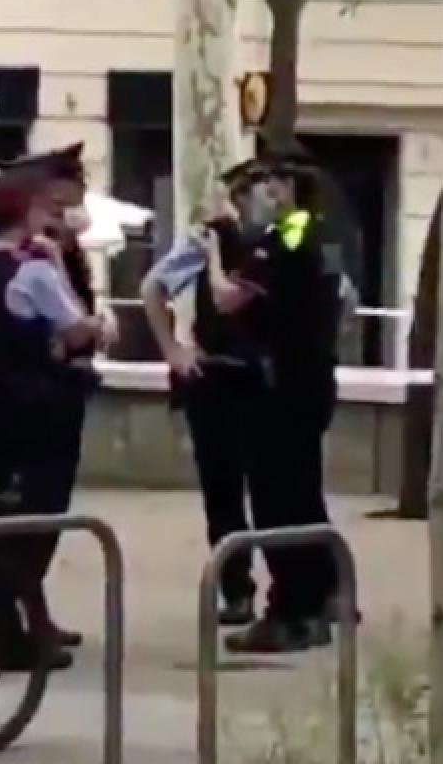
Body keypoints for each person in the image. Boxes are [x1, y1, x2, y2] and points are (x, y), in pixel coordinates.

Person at [0, 169, 110, 670]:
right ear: (25, 214)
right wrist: (96, 327)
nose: (53, 218)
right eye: (44, 209)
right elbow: (80, 330)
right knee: (35, 519)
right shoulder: (36, 268)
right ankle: (9, 632)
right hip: (41, 410)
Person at [204, 153, 346, 653]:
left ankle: (289, 610)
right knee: (304, 495)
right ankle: (320, 598)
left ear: (286, 187)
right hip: (312, 381)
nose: (262, 192)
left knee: (276, 501)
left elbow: (229, 299)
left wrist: (215, 255)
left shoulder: (285, 236)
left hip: (279, 388)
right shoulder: (327, 235)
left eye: (267, 182)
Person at [140, 160, 270, 627]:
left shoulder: (284, 239)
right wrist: (173, 350)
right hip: (216, 377)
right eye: (246, 191)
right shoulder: (211, 237)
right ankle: (237, 589)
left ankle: (296, 590)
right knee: (223, 491)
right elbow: (153, 286)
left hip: (266, 380)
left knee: (276, 490)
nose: (256, 199)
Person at [1, 144, 119, 653]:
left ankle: (33, 608)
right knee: (37, 508)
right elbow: (67, 324)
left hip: (65, 384)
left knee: (48, 510)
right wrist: (87, 331)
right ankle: (22, 612)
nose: (80, 203)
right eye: (73, 192)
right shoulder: (37, 252)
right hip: (45, 391)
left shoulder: (63, 248)